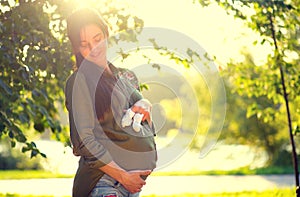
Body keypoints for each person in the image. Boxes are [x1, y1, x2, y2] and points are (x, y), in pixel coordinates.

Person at [64, 8, 157, 197]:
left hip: (130, 184)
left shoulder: (126, 76)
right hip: (104, 183)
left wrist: (146, 103)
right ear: (77, 48)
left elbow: (144, 127)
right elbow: (83, 142)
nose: (93, 48)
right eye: (84, 44)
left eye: (98, 39)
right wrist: (123, 177)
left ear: (106, 34)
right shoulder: (79, 81)